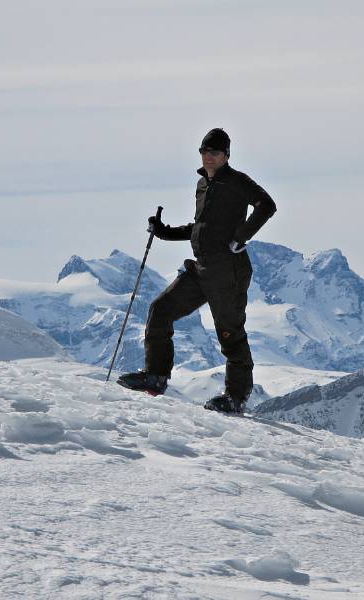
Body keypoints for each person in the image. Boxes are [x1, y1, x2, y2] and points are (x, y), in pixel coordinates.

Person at [117, 128, 277, 414]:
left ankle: (235, 398)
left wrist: (241, 237)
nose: (208, 157)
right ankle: (156, 376)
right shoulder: (203, 186)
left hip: (228, 270)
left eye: (214, 152)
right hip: (202, 268)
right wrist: (164, 232)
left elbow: (267, 206)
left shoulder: (237, 181)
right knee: (161, 309)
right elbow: (201, 228)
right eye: (204, 152)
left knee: (230, 333)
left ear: (226, 155)